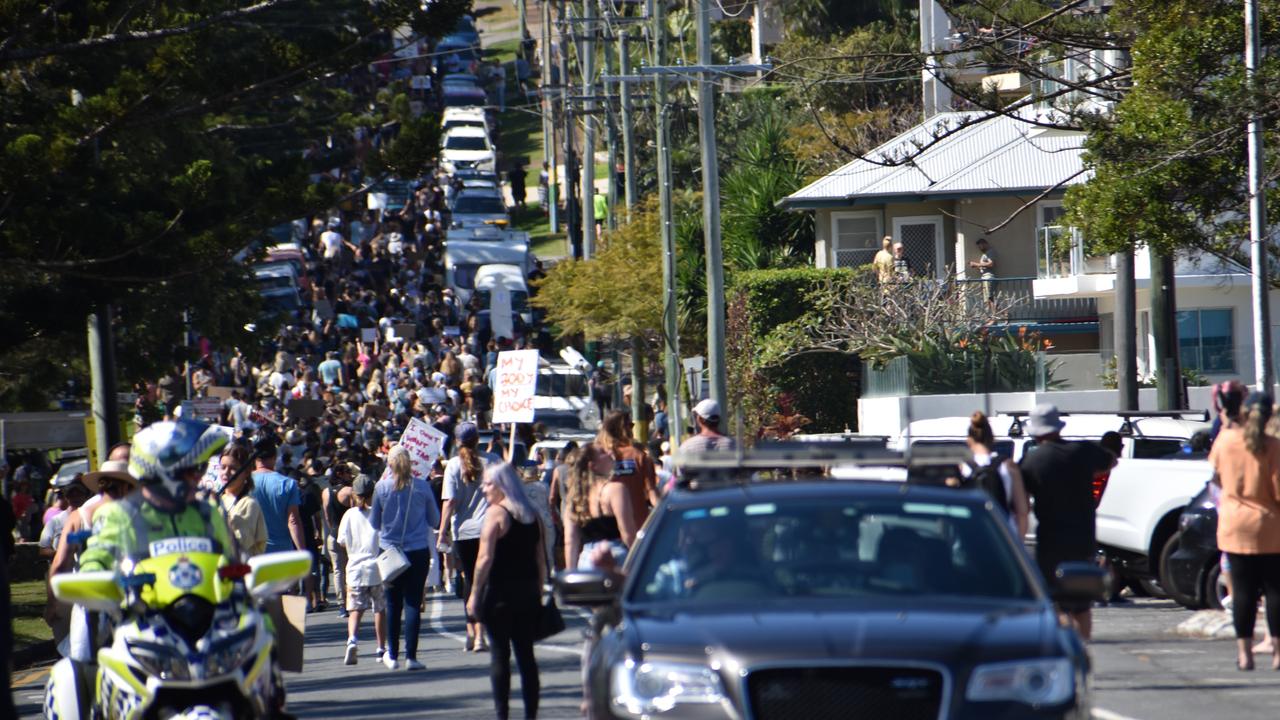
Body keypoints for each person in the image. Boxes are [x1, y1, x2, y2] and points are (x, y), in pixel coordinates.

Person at [79, 420, 235, 574]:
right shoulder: (118, 515)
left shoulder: (206, 513)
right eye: (193, 469)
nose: (199, 477)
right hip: (141, 599)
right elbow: (95, 560)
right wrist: (92, 576)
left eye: (202, 467)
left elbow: (230, 563)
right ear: (163, 473)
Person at [1018, 404, 1115, 641]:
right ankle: (1082, 648)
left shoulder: (1032, 462)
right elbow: (1111, 461)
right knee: (1082, 605)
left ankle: (1065, 648)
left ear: (1035, 432)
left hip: (1051, 542)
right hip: (1083, 540)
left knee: (1056, 602)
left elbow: (1022, 502)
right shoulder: (1082, 451)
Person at [467, 463, 546, 720]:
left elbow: (484, 558)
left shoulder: (496, 514)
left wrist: (475, 593)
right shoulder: (532, 514)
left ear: (502, 485)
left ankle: (503, 714)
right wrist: (539, 591)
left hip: (500, 593)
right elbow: (540, 559)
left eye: (488, 483)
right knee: (526, 656)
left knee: (500, 655)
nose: (483, 488)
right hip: (527, 593)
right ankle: (530, 714)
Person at [1208, 391, 1280, 671]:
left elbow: (1214, 476)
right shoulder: (1274, 446)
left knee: (1243, 593)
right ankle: (1277, 653)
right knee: (1275, 591)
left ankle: (1244, 654)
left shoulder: (1225, 441)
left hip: (1234, 526)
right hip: (1270, 527)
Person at [370, 445, 438, 670]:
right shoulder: (421, 487)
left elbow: (374, 523)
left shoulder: (381, 487)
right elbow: (434, 520)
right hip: (417, 550)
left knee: (392, 603)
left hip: (390, 551)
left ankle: (392, 654)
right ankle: (411, 656)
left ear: (389, 463)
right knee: (412, 602)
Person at [437, 421, 501, 651]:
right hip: (490, 528)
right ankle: (483, 632)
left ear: (457, 441)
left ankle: (472, 631)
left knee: (470, 582)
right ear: (477, 440)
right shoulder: (492, 461)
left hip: (464, 532)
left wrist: (442, 531)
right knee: (487, 581)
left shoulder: (453, 466)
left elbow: (450, 502)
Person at [563, 442, 637, 570]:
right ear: (593, 466)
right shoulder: (615, 489)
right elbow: (627, 533)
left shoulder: (575, 497)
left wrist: (571, 574)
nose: (610, 453)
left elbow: (570, 541)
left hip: (586, 559)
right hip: (615, 555)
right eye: (602, 452)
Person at [338, 474, 387, 666]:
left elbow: (341, 541)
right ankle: (380, 647)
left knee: (355, 609)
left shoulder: (349, 515)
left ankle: (352, 639)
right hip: (376, 567)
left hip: (355, 567)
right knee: (379, 609)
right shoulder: (378, 513)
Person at [958, 411, 1030, 539]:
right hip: (1002, 538)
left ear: (969, 441)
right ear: (992, 438)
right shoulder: (1008, 466)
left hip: (969, 538)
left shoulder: (962, 468)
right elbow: (1022, 512)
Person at [595, 411, 657, 531]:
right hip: (637, 526)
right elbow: (652, 492)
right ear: (623, 428)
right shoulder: (639, 456)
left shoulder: (597, 456)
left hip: (607, 528)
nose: (632, 429)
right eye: (631, 425)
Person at [251, 434, 307, 555]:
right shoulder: (288, 484)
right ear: (275, 457)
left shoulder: (243, 483)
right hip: (282, 552)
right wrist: (303, 553)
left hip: (253, 550)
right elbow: (293, 521)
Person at [217, 443, 268, 558]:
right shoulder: (219, 499)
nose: (226, 473)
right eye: (223, 467)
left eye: (233, 469)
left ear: (246, 473)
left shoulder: (249, 504)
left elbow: (239, 543)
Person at [324, 463, 355, 618]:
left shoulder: (326, 492)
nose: (351, 475)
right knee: (350, 568)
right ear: (341, 474)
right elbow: (355, 514)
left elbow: (327, 516)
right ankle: (352, 600)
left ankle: (341, 604)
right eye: (348, 472)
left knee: (337, 570)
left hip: (333, 533)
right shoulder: (349, 492)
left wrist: (332, 529)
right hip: (348, 535)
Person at [969, 237, 997, 303]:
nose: (980, 248)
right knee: (988, 300)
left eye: (980, 246)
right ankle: (994, 313)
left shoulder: (990, 252)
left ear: (985, 244)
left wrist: (976, 264)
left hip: (988, 277)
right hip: (985, 277)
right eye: (979, 246)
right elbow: (985, 266)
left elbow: (991, 264)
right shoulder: (985, 254)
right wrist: (976, 266)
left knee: (990, 299)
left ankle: (1004, 313)